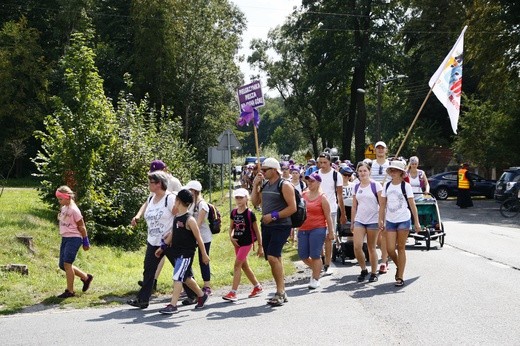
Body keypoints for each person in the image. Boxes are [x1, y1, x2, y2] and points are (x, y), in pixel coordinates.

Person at [251, 157, 296, 306]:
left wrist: (274, 216)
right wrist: (255, 186)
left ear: (274, 170)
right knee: (275, 258)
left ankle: (280, 291)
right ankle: (282, 290)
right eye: (261, 170)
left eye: (265, 170)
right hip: (267, 225)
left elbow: (292, 208)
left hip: (281, 225)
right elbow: (255, 203)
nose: (262, 172)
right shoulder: (264, 185)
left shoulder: (284, 185)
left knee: (272, 257)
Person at [127, 171, 176, 308]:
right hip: (153, 240)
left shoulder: (170, 198)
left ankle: (194, 294)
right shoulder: (151, 199)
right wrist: (137, 217)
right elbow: (145, 208)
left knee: (180, 269)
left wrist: (172, 234)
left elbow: (180, 217)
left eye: (151, 182)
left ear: (159, 184)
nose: (149, 185)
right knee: (148, 270)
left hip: (169, 241)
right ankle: (143, 300)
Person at [157, 189, 210, 315]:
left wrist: (204, 254)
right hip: (177, 252)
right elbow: (173, 233)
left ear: (178, 201)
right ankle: (201, 296)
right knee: (185, 277)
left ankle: (173, 305)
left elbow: (199, 238)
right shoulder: (177, 217)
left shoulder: (189, 220)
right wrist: (163, 247)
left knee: (177, 277)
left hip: (186, 254)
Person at [131, 159, 182, 291]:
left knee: (178, 263)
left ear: (165, 170)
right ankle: (150, 285)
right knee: (152, 261)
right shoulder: (154, 183)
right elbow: (149, 201)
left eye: (156, 172)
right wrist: (138, 215)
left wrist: (181, 222)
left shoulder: (174, 183)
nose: (153, 175)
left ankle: (192, 290)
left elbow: (183, 201)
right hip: (156, 232)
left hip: (169, 232)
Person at [379, 160, 421, 287]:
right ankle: (399, 266)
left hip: (403, 219)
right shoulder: (386, 186)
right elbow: (382, 205)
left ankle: (400, 276)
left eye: (395, 170)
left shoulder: (405, 186)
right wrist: (381, 219)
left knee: (401, 247)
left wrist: (417, 222)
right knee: (390, 249)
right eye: (391, 170)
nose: (393, 172)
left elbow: (412, 205)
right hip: (390, 220)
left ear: (401, 172)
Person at [222, 188, 264, 302]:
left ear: (246, 198)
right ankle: (257, 286)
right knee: (244, 266)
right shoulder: (234, 212)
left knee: (237, 266)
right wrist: (231, 237)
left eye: (241, 197)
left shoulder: (250, 214)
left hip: (247, 243)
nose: (239, 200)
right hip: (237, 243)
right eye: (237, 197)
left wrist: (260, 246)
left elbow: (257, 230)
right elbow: (231, 227)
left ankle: (233, 292)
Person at [55, 185, 93, 298]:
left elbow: (82, 226)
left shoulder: (74, 210)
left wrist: (85, 241)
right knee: (63, 265)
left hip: (74, 238)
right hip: (65, 238)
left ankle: (70, 291)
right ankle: (86, 278)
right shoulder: (64, 208)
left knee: (67, 264)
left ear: (67, 197)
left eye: (60, 199)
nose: (59, 201)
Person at [298, 172, 333, 289]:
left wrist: (331, 232)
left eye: (312, 181)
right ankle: (317, 269)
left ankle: (316, 278)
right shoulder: (303, 195)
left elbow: (328, 216)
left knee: (315, 255)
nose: (309, 183)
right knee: (302, 254)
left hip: (318, 228)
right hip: (303, 228)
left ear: (318, 183)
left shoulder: (322, 197)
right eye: (308, 180)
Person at [181, 180, 213, 305]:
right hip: (192, 237)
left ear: (194, 191)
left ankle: (207, 286)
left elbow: (198, 224)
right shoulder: (190, 204)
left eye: (190, 190)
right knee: (189, 262)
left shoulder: (202, 205)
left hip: (203, 237)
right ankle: (191, 287)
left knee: (203, 261)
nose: (188, 192)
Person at [351, 161, 382, 283]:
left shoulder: (376, 185)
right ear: (357, 173)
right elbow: (354, 205)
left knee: (371, 247)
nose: (362, 173)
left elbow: (382, 203)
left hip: (373, 220)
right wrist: (353, 221)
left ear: (369, 171)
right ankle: (363, 269)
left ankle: (374, 272)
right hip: (360, 219)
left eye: (365, 170)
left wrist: (381, 219)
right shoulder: (356, 187)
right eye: (360, 171)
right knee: (357, 246)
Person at [317, 152, 345, 275]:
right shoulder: (316, 174)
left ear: (330, 163)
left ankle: (327, 263)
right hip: (318, 210)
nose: (322, 165)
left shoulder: (336, 175)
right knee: (319, 236)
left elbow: (340, 196)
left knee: (329, 237)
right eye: (320, 162)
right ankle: (322, 258)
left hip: (332, 209)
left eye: (325, 162)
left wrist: (343, 213)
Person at [371, 141, 391, 274]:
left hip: (386, 200)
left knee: (383, 231)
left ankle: (384, 261)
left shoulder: (390, 165)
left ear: (386, 150)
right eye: (378, 148)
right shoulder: (369, 164)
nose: (380, 150)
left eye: (382, 148)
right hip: (372, 200)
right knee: (374, 233)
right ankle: (386, 252)